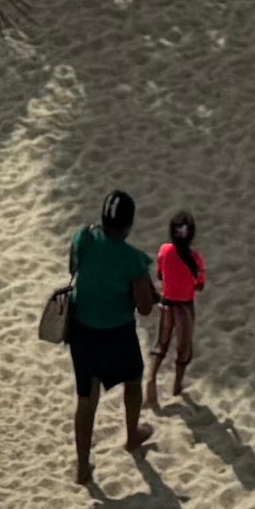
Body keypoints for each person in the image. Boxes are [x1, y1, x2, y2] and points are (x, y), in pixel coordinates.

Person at [63, 187, 155, 484]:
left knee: (86, 399)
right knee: (133, 380)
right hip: (117, 334)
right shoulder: (133, 260)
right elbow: (143, 308)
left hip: (82, 331)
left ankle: (82, 466)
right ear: (128, 226)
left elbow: (72, 267)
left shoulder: (83, 237)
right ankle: (132, 436)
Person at [147, 212, 207, 404]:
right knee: (183, 349)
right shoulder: (195, 259)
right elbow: (199, 285)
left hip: (166, 304)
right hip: (185, 308)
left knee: (160, 345)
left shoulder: (164, 251)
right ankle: (176, 387)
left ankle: (150, 381)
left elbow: (159, 275)